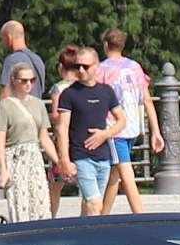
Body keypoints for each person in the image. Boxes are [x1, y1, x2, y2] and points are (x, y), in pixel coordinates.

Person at [52, 46, 125, 215]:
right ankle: (101, 240)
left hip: (103, 157)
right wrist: (64, 160)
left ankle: (82, 238)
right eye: (78, 66)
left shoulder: (106, 91)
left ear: (97, 66)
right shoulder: (69, 94)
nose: (81, 70)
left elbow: (122, 121)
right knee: (95, 204)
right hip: (81, 157)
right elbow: (62, 128)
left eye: (86, 66)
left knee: (89, 205)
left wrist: (104, 134)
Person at [92, 29, 157, 214]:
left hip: (114, 128)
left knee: (125, 172)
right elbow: (147, 100)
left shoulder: (102, 70)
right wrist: (155, 130)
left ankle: (140, 215)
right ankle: (103, 215)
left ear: (106, 45)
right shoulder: (135, 67)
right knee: (117, 172)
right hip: (132, 126)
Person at [0, 62, 54, 221]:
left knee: (40, 202)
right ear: (14, 80)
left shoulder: (38, 104)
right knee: (20, 204)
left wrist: (59, 161)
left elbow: (44, 137)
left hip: (34, 156)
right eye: (24, 80)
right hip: (15, 157)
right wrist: (2, 169)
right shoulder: (5, 105)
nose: (29, 84)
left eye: (32, 80)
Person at [0, 20, 46, 100]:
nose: (3, 43)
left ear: (9, 37)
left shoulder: (12, 60)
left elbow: (6, 94)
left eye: (3, 39)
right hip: (35, 110)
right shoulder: (38, 60)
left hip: (17, 110)